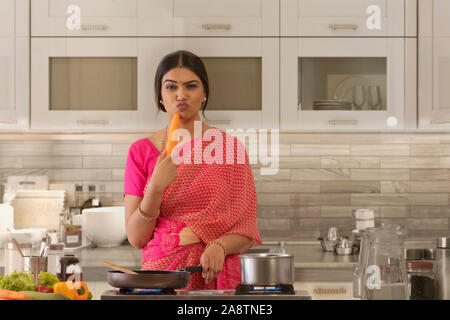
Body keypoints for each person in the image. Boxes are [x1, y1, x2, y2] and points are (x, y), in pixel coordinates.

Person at [123, 50, 261, 290]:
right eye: (171, 87)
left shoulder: (228, 148)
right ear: (160, 96)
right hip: (162, 279)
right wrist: (155, 186)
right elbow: (137, 238)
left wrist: (219, 246)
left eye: (191, 86)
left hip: (212, 277)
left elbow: (246, 227)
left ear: (204, 93)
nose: (181, 95)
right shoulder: (140, 152)